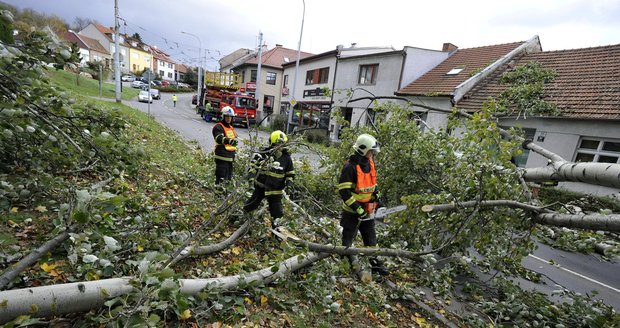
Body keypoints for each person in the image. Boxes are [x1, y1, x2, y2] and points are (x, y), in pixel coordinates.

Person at [337, 133, 388, 276]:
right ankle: (346, 265)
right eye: (371, 151)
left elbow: (372, 184)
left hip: (368, 210)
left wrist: (377, 196)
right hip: (351, 212)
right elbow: (344, 191)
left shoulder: (370, 164)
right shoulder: (350, 167)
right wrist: (357, 208)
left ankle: (376, 266)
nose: (372, 154)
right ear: (363, 150)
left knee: (371, 239)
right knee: (347, 240)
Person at [243, 130, 295, 228]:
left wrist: (289, 184)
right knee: (251, 204)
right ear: (272, 144)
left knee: (277, 213)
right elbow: (253, 168)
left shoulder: (287, 158)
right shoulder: (263, 154)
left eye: (282, 145)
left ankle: (276, 232)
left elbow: (290, 174)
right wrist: (251, 179)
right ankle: (241, 218)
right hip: (261, 187)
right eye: (277, 144)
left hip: (276, 190)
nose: (280, 147)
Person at [212, 106, 238, 184]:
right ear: (223, 116)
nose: (229, 118)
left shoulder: (230, 127)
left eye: (230, 117)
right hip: (222, 158)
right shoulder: (218, 127)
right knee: (221, 180)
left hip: (230, 158)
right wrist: (229, 141)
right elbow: (218, 138)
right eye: (227, 116)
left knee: (228, 181)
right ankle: (218, 195)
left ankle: (225, 196)